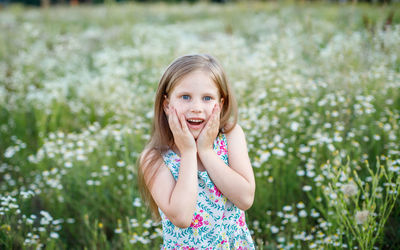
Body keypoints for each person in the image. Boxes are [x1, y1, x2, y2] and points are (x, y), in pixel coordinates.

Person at [138, 54, 255, 249]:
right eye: (185, 97)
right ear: (167, 105)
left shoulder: (231, 136)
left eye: (207, 98)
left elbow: (245, 199)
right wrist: (189, 152)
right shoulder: (155, 157)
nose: (196, 108)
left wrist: (206, 151)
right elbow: (182, 217)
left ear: (221, 104)